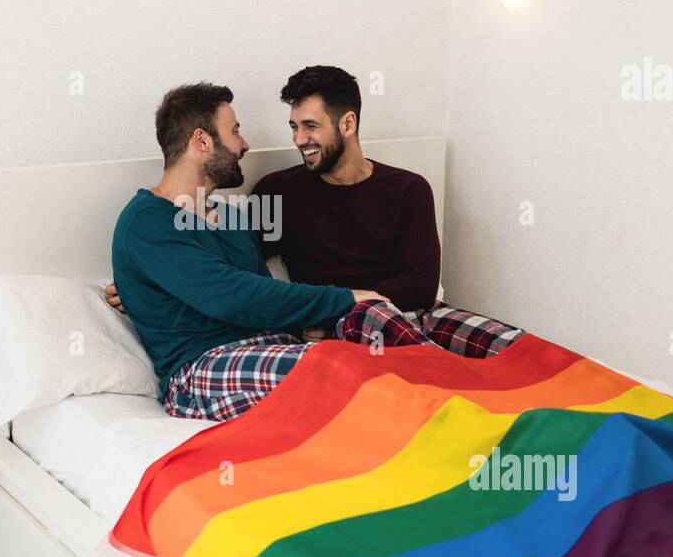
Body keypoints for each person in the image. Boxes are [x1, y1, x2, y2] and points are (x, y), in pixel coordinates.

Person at [111, 81, 459, 422]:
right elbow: (231, 295)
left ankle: (462, 388)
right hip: (204, 367)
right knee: (344, 370)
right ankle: (451, 407)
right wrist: (342, 298)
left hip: (277, 346)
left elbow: (263, 293)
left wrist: (323, 317)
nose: (244, 144)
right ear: (202, 140)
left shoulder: (230, 218)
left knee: (369, 321)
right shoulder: (146, 222)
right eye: (235, 131)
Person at [252, 64, 524, 357]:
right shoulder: (276, 192)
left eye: (311, 126)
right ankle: (455, 383)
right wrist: (310, 314)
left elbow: (421, 284)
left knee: (513, 346)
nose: (299, 139)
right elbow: (247, 276)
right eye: (294, 127)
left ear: (347, 124)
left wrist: (345, 300)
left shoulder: (409, 188)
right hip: (347, 325)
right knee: (377, 320)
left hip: (420, 316)